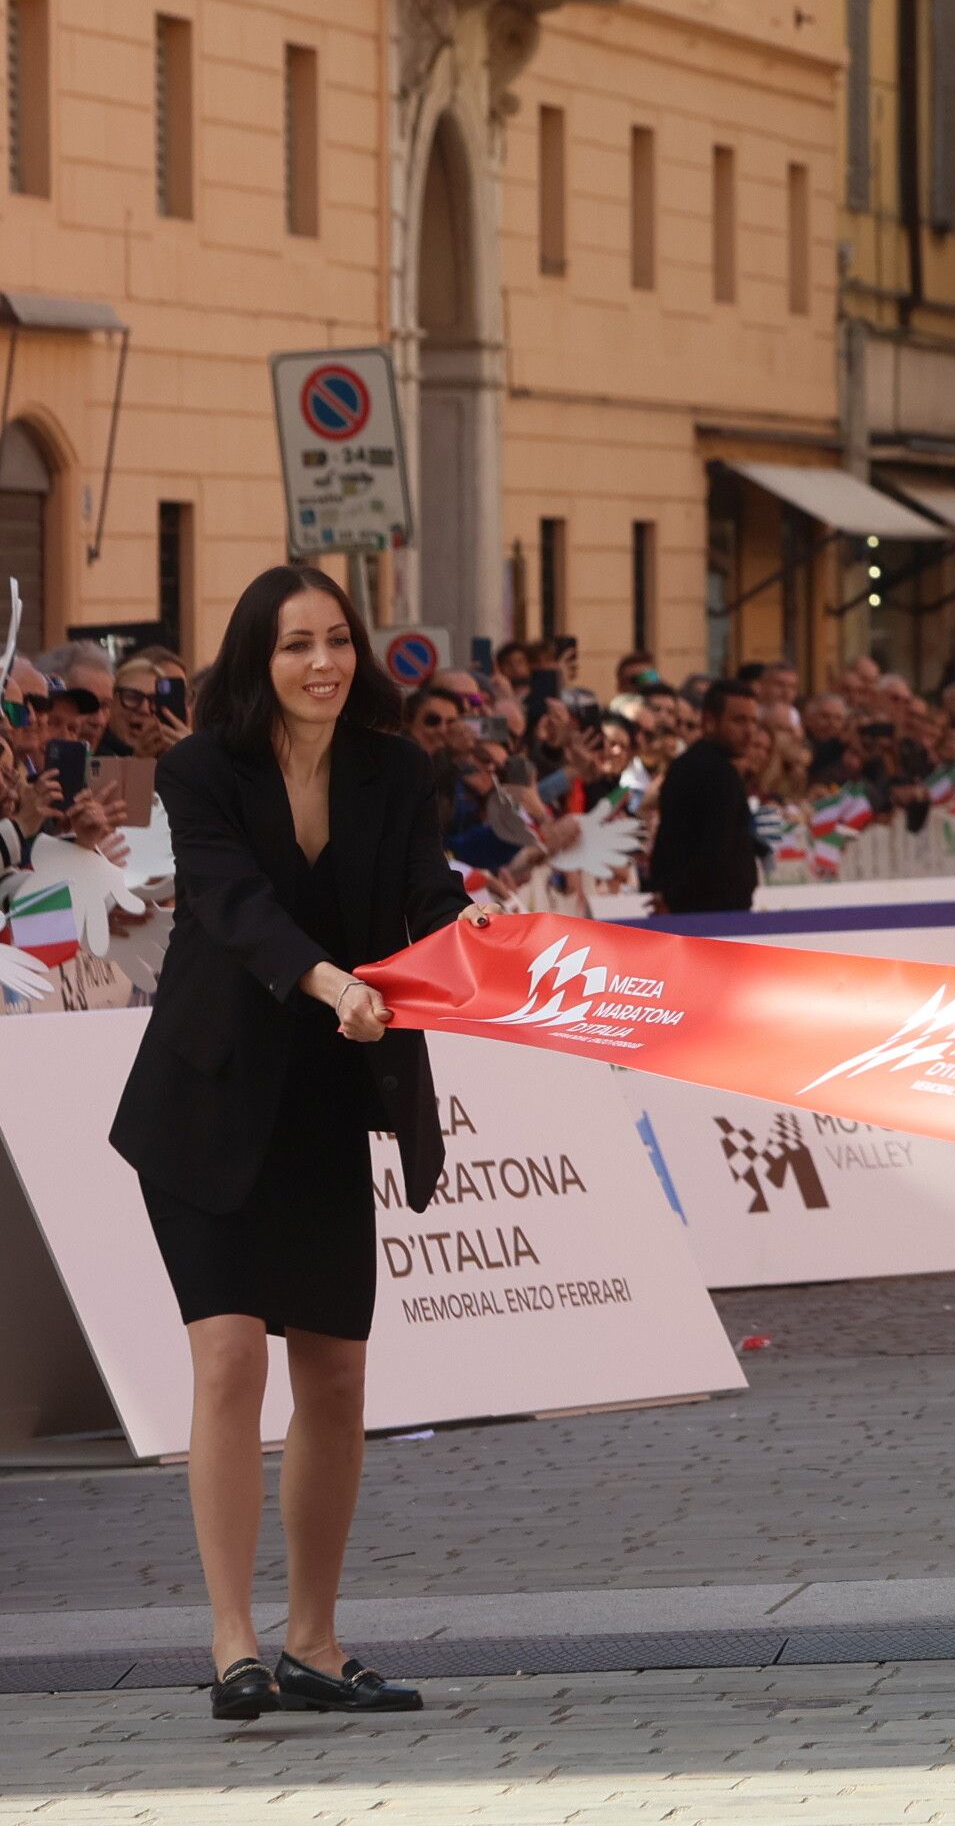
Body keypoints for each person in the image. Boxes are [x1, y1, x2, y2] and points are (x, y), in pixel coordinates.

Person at [105, 564, 493, 1724]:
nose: (320, 662)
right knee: (229, 1359)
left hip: (328, 1099)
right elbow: (230, 906)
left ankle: (315, 1640)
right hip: (207, 1102)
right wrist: (328, 980)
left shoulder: (396, 768)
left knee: (335, 1374)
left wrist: (494, 941)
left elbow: (425, 903)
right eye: (293, 645)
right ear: (257, 659)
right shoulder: (199, 768)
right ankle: (235, 1642)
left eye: (335, 640)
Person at [648, 678, 763, 914]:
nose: (749, 731)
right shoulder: (716, 773)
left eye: (753, 721)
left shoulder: (693, 765)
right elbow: (713, 851)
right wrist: (675, 899)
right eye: (739, 720)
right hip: (707, 918)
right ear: (710, 722)